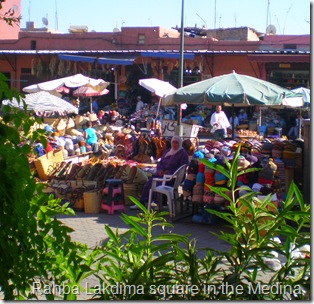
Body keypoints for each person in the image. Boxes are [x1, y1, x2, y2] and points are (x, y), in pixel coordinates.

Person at [130, 135, 189, 210]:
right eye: (173, 142)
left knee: (157, 183)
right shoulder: (168, 151)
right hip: (162, 175)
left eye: (176, 143)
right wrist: (160, 171)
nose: (174, 144)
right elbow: (160, 163)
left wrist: (168, 172)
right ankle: (142, 203)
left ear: (179, 143)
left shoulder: (182, 154)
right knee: (150, 182)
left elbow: (182, 167)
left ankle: (161, 204)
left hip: (173, 178)